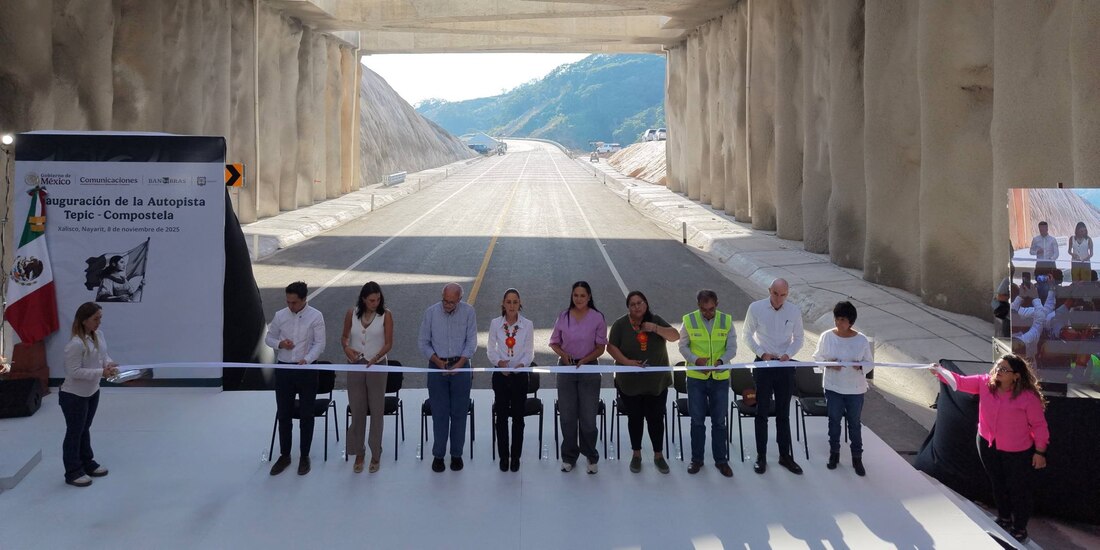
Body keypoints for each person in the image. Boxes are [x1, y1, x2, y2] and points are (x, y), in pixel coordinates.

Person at [932, 355, 1049, 543]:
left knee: (1019, 489)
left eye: (1004, 369)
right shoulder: (984, 383)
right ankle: (1004, 518)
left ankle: (1020, 527)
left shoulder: (1028, 397)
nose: (998, 371)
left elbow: (1039, 426)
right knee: (997, 483)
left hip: (1017, 451)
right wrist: (940, 371)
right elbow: (960, 382)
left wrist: (1040, 452)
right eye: (997, 367)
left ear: (1016, 376)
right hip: (987, 444)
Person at [607, 290, 678, 475]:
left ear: (646, 303)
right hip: (630, 383)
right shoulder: (620, 324)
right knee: (635, 418)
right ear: (628, 308)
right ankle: (636, 454)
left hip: (656, 383)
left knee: (656, 419)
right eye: (633, 304)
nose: (637, 306)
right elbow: (611, 347)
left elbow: (674, 336)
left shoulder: (655, 319)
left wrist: (654, 328)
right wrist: (627, 362)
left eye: (640, 302)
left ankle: (658, 455)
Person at [742, 278, 804, 475]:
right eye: (775, 294)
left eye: (783, 295)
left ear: (788, 294)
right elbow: (746, 334)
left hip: (784, 365)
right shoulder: (756, 308)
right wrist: (762, 353)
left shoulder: (793, 311)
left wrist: (789, 354)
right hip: (764, 363)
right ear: (769, 290)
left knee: (783, 412)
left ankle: (785, 455)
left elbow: (800, 338)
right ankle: (761, 456)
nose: (778, 299)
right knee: (762, 412)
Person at [265, 281, 326, 476]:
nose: (290, 306)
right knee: (284, 414)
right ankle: (285, 455)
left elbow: (320, 344)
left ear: (304, 299)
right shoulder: (280, 316)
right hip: (284, 369)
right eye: (288, 302)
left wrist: (306, 359)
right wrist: (280, 344)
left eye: (294, 302)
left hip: (306, 370)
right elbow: (269, 338)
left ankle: (304, 455)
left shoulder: (315, 316)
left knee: (306, 415)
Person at [418, 283, 477, 473]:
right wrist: (437, 361)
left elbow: (472, 342)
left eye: (452, 302)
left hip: (461, 367)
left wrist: (459, 364)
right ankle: (438, 455)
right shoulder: (431, 313)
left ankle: (457, 454)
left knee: (459, 413)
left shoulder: (469, 312)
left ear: (459, 299)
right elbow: (423, 342)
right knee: (440, 413)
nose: (447, 305)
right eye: (445, 300)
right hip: (437, 367)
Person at [678, 289, 737, 477]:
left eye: (711, 309)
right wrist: (696, 360)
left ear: (717, 304)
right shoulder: (689, 320)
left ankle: (721, 461)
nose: (708, 313)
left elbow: (732, 348)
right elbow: (682, 346)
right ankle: (697, 460)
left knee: (719, 421)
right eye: (704, 310)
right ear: (698, 306)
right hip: (697, 378)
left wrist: (721, 362)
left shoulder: (726, 321)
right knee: (697, 421)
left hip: (719, 378)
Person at [59, 302, 120, 487]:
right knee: (74, 433)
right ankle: (72, 471)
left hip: (92, 392)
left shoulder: (98, 335)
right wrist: (102, 373)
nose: (99, 322)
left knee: (84, 429)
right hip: (73, 396)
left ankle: (87, 462)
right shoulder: (75, 345)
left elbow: (103, 356)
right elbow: (74, 372)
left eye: (100, 318)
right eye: (96, 319)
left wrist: (108, 364)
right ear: (84, 320)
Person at [550, 281, 607, 474]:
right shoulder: (563, 317)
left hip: (589, 368)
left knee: (588, 416)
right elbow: (554, 342)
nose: (579, 299)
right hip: (566, 369)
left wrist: (585, 359)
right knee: (567, 416)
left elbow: (601, 347)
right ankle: (568, 456)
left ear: (589, 297)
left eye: (583, 295)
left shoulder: (597, 318)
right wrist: (563, 355)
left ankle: (591, 456)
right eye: (576, 295)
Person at [812, 301, 874, 476]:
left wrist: (860, 366)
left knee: (854, 423)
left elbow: (869, 362)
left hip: (855, 389)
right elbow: (817, 357)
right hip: (833, 387)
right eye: (837, 319)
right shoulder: (827, 336)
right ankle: (834, 454)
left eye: (843, 320)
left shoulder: (861, 339)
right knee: (834, 421)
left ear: (851, 322)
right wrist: (830, 364)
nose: (839, 323)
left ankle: (857, 458)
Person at [342, 281, 393, 474]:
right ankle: (359, 451)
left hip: (377, 366)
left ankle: (376, 452)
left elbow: (389, 343)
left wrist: (377, 357)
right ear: (363, 299)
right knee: (357, 408)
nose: (375, 302)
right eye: (372, 300)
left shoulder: (386, 315)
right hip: (355, 365)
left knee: (377, 409)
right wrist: (347, 348)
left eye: (378, 299)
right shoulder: (351, 314)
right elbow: (344, 337)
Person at [487, 288, 535, 472]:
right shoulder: (495, 324)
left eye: (515, 302)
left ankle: (516, 457)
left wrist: (521, 365)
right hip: (501, 376)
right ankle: (503, 456)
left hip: (519, 376)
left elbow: (529, 351)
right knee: (501, 418)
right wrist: (499, 363)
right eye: (509, 302)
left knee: (518, 418)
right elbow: (491, 348)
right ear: (503, 304)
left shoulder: (527, 325)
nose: (512, 305)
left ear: (519, 304)